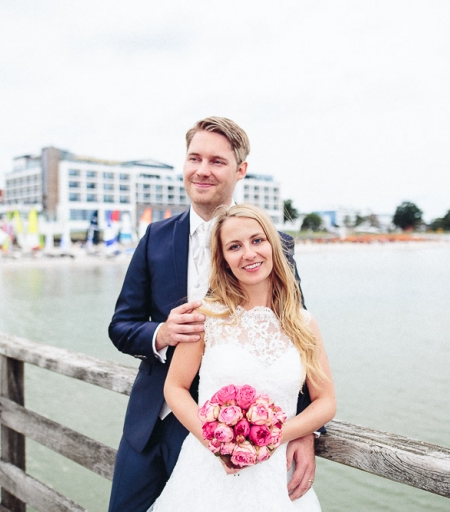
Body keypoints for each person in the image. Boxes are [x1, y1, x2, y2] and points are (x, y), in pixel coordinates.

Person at [108, 117, 318, 511]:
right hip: (155, 418)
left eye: (217, 161)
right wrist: (162, 333)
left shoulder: (274, 246)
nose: (202, 170)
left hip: (244, 435)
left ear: (240, 170)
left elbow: (295, 338)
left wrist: (304, 431)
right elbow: (120, 326)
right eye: (194, 158)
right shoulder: (155, 237)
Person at [150, 204, 336, 511]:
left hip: (276, 479)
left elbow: (326, 401)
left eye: (257, 240)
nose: (248, 253)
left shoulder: (304, 324)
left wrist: (272, 438)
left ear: (273, 246)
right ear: (223, 260)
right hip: (207, 473)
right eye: (234, 246)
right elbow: (175, 387)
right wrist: (217, 441)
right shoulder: (205, 316)